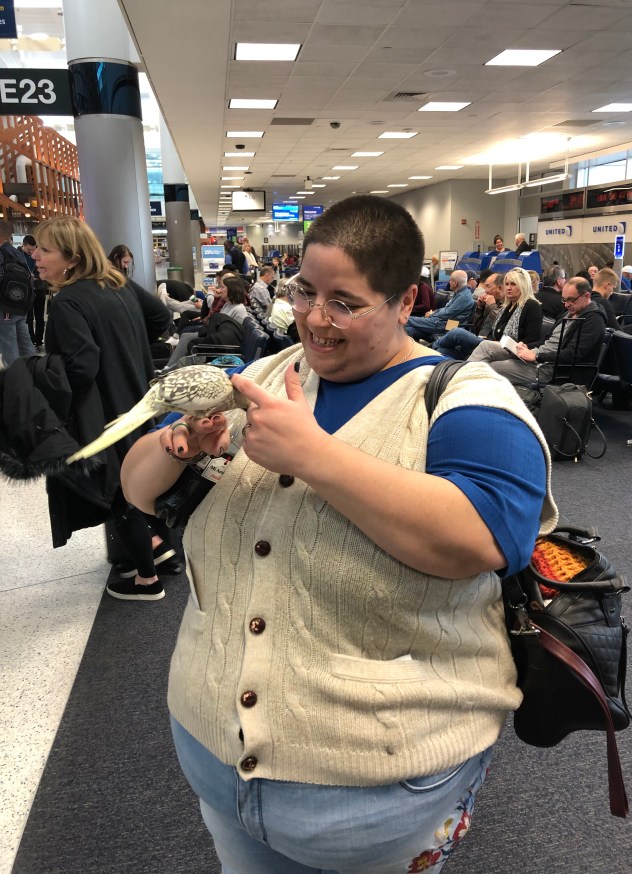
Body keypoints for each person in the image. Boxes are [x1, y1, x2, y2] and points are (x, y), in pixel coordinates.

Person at [121, 194, 556, 874]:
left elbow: (482, 540)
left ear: (406, 301)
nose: (315, 319)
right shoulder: (264, 377)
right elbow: (138, 489)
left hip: (379, 787)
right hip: (215, 756)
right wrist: (176, 445)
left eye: (345, 303)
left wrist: (314, 456)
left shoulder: (464, 397)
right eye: (305, 292)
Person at [33, 216, 178, 599]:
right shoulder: (117, 283)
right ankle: (160, 551)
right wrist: (128, 345)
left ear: (72, 257)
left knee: (118, 493)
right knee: (140, 482)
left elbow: (81, 367)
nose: (35, 256)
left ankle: (147, 581)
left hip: (105, 412)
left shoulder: (69, 302)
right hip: (138, 400)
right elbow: (161, 316)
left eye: (45, 249)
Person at [469, 276, 607, 387]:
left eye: (571, 300)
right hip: (539, 356)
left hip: (551, 368)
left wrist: (536, 356)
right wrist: (527, 347)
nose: (566, 304)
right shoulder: (569, 313)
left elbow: (572, 355)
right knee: (485, 346)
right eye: (564, 300)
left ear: (586, 296)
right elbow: (547, 340)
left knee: (489, 368)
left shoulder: (593, 320)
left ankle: (463, 390)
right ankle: (459, 381)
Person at [434, 269, 541, 360]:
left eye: (513, 284)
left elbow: (532, 340)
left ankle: (433, 347)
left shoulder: (531, 306)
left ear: (523, 286)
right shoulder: (507, 306)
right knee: (442, 351)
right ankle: (433, 350)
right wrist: (480, 309)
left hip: (507, 350)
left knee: (457, 332)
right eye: (507, 284)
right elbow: (477, 328)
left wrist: (492, 307)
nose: (508, 288)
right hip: (487, 342)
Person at [0, 220, 36, 368]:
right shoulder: (16, 253)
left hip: (5, 306)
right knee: (24, 339)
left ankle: (15, 376)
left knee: (9, 343)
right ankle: (34, 370)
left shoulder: (2, 253)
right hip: (21, 304)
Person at [405, 269, 474, 342]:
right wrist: (434, 312)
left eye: (450, 280)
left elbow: (447, 313)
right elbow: (446, 309)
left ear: (455, 283)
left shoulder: (463, 297)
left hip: (444, 325)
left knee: (407, 320)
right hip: (440, 322)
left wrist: (432, 315)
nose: (449, 282)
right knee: (409, 330)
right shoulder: (459, 294)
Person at [20, 234, 48, 349]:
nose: (31, 252)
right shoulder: (17, 255)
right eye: (29, 249)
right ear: (23, 245)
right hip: (26, 290)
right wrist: (27, 276)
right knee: (29, 317)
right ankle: (30, 341)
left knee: (40, 316)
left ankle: (39, 340)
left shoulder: (38, 254)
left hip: (39, 287)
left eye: (33, 249)